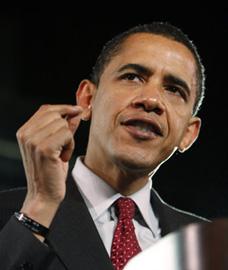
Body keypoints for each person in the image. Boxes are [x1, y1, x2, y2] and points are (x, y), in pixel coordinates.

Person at [0, 21, 208, 270]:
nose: (152, 100)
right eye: (132, 77)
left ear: (188, 133)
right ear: (88, 99)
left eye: (174, 90)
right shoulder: (10, 214)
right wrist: (40, 207)